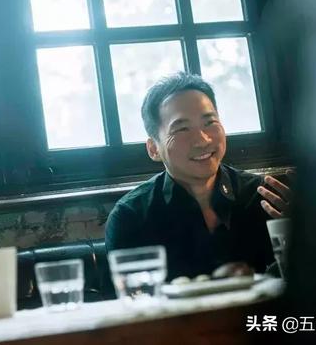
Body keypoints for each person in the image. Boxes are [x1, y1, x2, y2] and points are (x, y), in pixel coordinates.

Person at [105, 73, 292, 281]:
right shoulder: (131, 217)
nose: (203, 140)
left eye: (209, 122)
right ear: (154, 149)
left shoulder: (264, 197)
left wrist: (308, 236)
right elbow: (134, 298)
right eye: (182, 129)